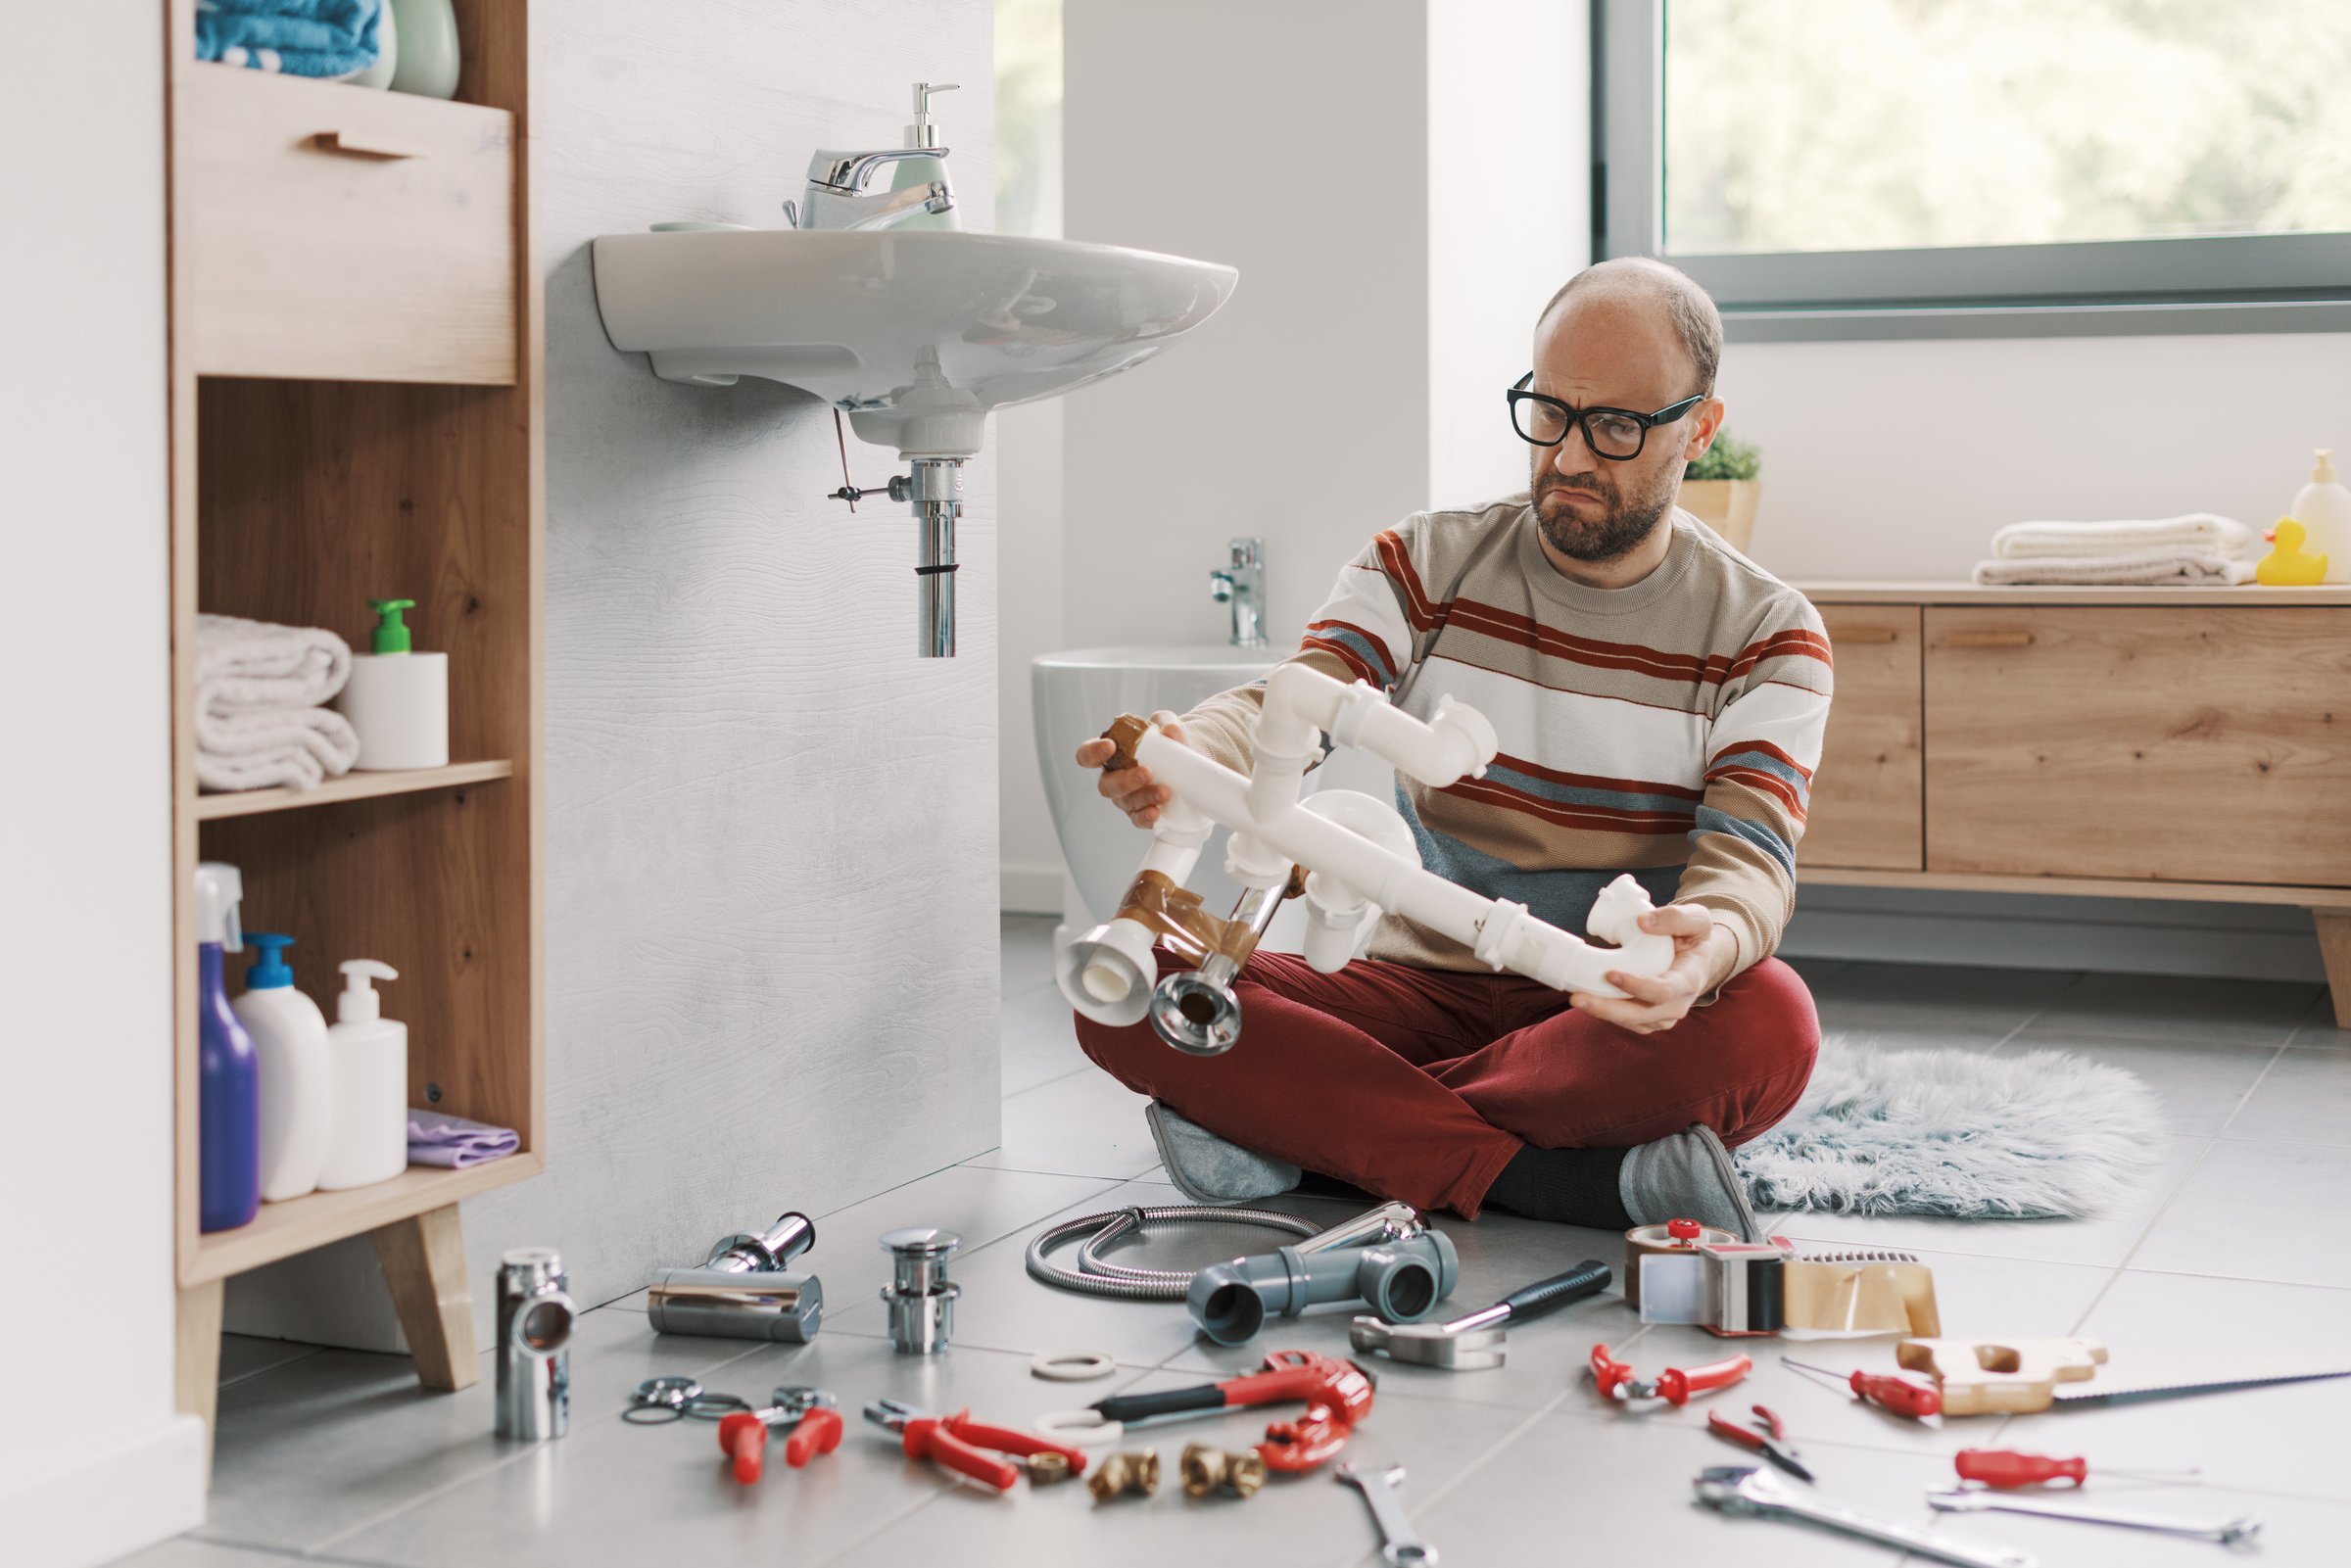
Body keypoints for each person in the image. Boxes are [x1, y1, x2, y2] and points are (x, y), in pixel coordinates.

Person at [1070, 258, 1828, 1240]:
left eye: (1616, 427)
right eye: (1549, 411)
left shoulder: (1770, 632)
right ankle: (1558, 1183)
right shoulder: (1425, 561)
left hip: (1607, 1001)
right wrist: (1186, 748)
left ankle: (1329, 1134)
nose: (1567, 457)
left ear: (1700, 428)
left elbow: (1750, 861)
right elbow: (1294, 700)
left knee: (1771, 1022)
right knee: (1121, 983)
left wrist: (1706, 949)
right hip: (1417, 979)